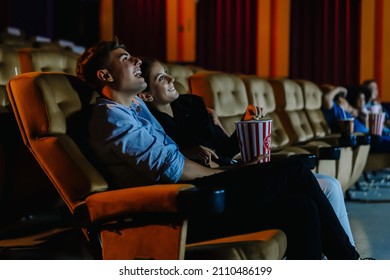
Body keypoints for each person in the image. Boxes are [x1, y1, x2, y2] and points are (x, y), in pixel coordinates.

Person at [76, 37, 361, 260]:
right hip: (181, 208)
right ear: (105, 76)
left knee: (302, 206)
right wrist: (230, 171)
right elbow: (175, 170)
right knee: (295, 169)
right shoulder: (111, 116)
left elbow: (169, 151)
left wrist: (212, 132)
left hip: (198, 193)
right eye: (125, 58)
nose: (136, 59)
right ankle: (350, 263)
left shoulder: (134, 106)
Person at [137, 57, 356, 246]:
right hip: (219, 186)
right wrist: (192, 153)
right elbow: (176, 167)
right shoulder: (154, 126)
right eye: (161, 78)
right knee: (316, 186)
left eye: (167, 73)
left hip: (237, 170)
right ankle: (348, 261)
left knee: (329, 185)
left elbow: (226, 149)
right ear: (146, 95)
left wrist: (246, 122)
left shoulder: (192, 104)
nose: (171, 79)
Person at [322, 84, 390, 153]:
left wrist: (365, 119)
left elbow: (366, 130)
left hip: (367, 142)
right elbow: (327, 98)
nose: (360, 102)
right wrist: (339, 89)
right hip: (358, 142)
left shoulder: (354, 114)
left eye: (362, 99)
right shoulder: (336, 109)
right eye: (358, 99)